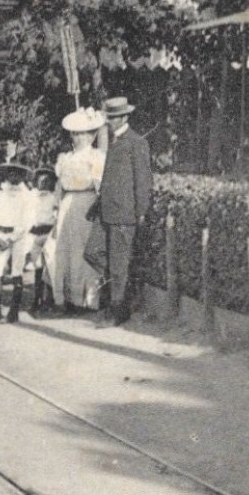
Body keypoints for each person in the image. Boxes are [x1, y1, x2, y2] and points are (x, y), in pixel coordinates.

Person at [94, 96, 151, 328]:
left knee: (119, 264)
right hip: (108, 212)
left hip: (124, 214)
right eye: (110, 118)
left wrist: (141, 212)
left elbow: (143, 180)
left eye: (115, 118)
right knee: (97, 254)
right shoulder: (115, 141)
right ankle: (113, 304)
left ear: (125, 117)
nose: (111, 122)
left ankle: (118, 311)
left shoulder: (135, 143)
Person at [52, 108, 107, 314]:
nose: (78, 137)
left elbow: (99, 185)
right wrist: (56, 207)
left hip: (87, 204)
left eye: (83, 133)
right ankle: (67, 298)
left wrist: (98, 208)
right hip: (68, 203)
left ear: (92, 135)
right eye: (75, 133)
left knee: (84, 250)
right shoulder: (65, 158)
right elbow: (59, 186)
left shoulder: (96, 157)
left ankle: (89, 300)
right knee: (65, 249)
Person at [0, 160, 34, 324]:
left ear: (22, 176)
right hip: (0, 235)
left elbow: (26, 222)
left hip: (18, 237)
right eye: (10, 173)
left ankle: (13, 312)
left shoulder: (27, 196)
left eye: (17, 174)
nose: (13, 177)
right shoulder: (1, 194)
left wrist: (11, 238)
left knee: (17, 272)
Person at [26, 168, 59, 316]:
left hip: (49, 233)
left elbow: (57, 215)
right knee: (38, 268)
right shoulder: (32, 197)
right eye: (41, 181)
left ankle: (50, 300)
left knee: (50, 268)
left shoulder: (53, 198)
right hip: (35, 233)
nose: (43, 184)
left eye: (47, 181)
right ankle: (37, 299)